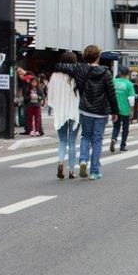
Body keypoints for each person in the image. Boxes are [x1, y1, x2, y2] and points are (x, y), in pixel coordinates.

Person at [55, 44, 118, 180]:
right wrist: (115, 111)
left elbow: (60, 66)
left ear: (84, 56)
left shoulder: (79, 69)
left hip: (86, 110)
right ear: (98, 57)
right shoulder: (106, 72)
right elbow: (111, 94)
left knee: (85, 136)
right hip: (101, 111)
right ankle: (94, 170)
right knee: (97, 140)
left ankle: (83, 159)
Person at [48, 51, 80, 179]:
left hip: (60, 111)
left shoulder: (55, 75)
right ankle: (71, 171)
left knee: (62, 141)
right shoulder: (78, 75)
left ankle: (61, 162)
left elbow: (51, 96)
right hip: (74, 111)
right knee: (72, 142)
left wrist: (55, 106)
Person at [110, 66, 136, 152]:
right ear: (128, 74)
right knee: (125, 128)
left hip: (115, 109)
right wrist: (132, 110)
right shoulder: (129, 84)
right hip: (125, 109)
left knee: (116, 126)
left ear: (120, 73)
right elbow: (131, 99)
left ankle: (114, 139)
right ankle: (122, 146)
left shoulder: (114, 82)